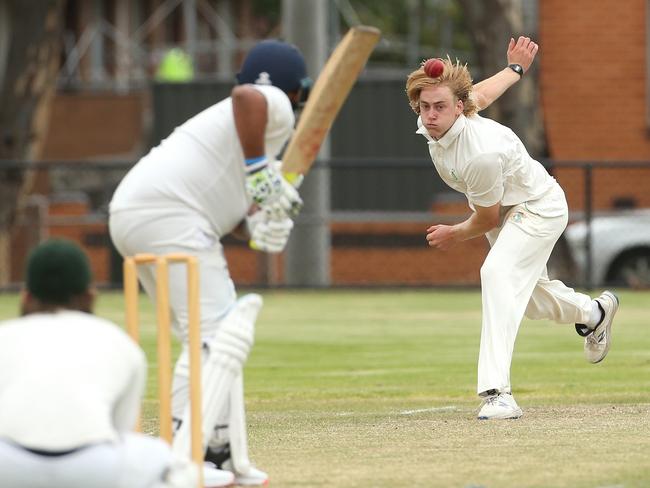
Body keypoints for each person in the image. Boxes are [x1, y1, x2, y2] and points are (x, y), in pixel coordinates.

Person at [109, 39, 312, 485]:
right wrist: (261, 169)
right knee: (219, 333)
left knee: (205, 333)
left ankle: (219, 452)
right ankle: (186, 454)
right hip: (169, 215)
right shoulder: (269, 103)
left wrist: (257, 228)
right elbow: (249, 97)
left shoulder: (240, 129)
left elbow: (232, 209)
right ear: (298, 91)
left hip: (135, 212)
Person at [405, 37, 619, 420]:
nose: (430, 115)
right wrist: (515, 69)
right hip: (507, 209)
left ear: (457, 108)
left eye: (439, 107)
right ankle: (594, 313)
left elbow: (485, 219)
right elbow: (480, 95)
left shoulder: (480, 153)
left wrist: (453, 234)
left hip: (538, 207)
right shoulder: (441, 117)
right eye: (425, 107)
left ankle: (497, 393)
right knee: (530, 300)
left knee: (497, 273)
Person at [0, 239, 198, 488]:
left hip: (7, 466)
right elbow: (120, 432)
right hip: (92, 467)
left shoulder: (4, 335)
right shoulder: (119, 341)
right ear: (90, 296)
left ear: (26, 296)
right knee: (173, 465)